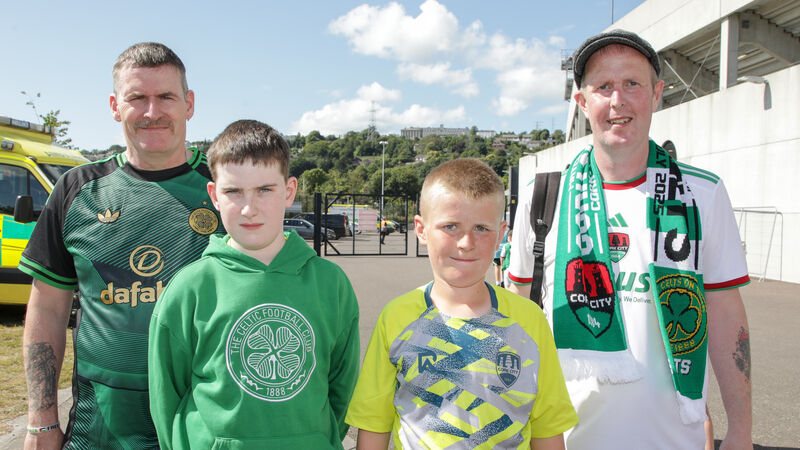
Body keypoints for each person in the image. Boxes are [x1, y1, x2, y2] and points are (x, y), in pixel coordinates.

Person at [507, 30, 752, 449]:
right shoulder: (542, 197)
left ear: (656, 94)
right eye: (604, 86)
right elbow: (516, 315)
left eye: (632, 84)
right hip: (559, 441)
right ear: (583, 103)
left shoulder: (702, 194)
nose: (618, 100)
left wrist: (741, 432)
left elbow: (727, 316)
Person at [19, 42, 222, 449]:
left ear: (189, 103)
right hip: (101, 431)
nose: (152, 112)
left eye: (166, 96)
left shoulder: (227, 189)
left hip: (204, 426)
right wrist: (41, 422)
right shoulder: (77, 190)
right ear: (115, 105)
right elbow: (47, 310)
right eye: (137, 98)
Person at [148, 120, 360, 449]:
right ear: (214, 195)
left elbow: (342, 388)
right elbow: (166, 397)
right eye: (233, 191)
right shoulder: (189, 288)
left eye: (265, 189)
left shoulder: (330, 284)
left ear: (289, 191)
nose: (249, 208)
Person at [346, 158, 578, 450]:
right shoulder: (396, 317)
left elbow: (548, 424)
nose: (466, 242)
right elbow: (373, 422)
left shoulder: (529, 320)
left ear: (502, 233)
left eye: (481, 228)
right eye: (451, 226)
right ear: (421, 230)